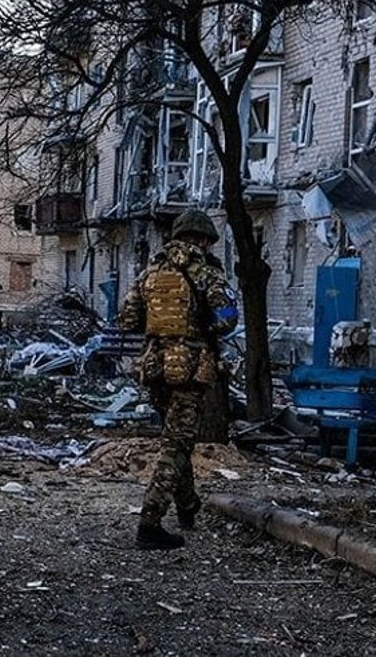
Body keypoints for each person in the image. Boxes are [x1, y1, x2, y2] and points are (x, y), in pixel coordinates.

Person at [117, 209, 237, 550]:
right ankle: (149, 523)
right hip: (189, 368)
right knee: (177, 444)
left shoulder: (151, 271)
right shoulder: (206, 273)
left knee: (177, 437)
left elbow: (127, 319)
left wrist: (161, 330)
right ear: (202, 240)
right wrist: (200, 330)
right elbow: (227, 317)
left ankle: (188, 507)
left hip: (154, 367)